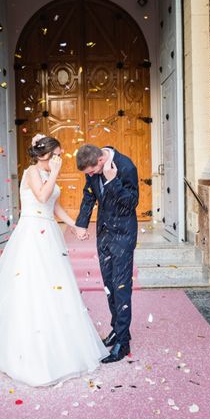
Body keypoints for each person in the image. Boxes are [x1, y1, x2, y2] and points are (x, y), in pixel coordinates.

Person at [0, 134, 109, 387]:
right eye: (56, 154)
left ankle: (59, 346)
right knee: (32, 286)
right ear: (44, 155)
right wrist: (55, 174)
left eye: (60, 154)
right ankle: (27, 351)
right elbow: (41, 198)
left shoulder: (48, 174)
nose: (60, 158)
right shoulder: (32, 172)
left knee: (55, 287)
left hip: (49, 235)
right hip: (32, 234)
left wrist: (77, 226)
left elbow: (55, 207)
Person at [75, 144, 139, 363]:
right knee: (110, 286)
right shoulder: (91, 169)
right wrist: (81, 224)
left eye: (91, 171)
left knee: (121, 287)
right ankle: (117, 330)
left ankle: (123, 342)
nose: (90, 176)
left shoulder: (126, 166)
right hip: (103, 234)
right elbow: (89, 196)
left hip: (123, 235)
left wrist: (113, 182)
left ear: (101, 161)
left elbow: (131, 203)